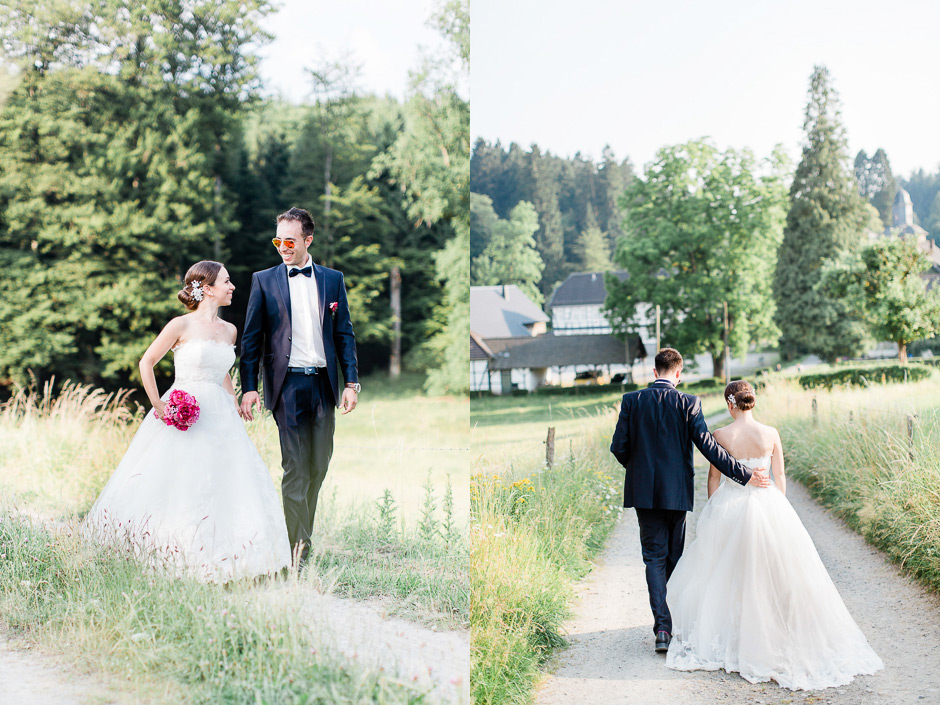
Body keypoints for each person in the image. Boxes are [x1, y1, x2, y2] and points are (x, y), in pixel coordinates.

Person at [665, 379, 883, 689]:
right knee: (771, 572)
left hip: (731, 505)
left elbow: (714, 478)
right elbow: (779, 476)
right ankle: (777, 628)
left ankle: (736, 632)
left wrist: (714, 509)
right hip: (769, 504)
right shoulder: (770, 433)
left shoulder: (721, 435)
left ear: (730, 403)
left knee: (730, 572)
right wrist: (776, 506)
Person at [85, 261, 291, 582]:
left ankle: (231, 554)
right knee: (177, 479)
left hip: (220, 414)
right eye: (226, 281)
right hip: (185, 408)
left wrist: (234, 402)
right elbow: (147, 362)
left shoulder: (229, 330)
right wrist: (158, 403)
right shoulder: (180, 325)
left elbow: (222, 370)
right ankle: (170, 552)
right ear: (207, 288)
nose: (232, 286)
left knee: (229, 481)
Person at [610, 348, 771, 653]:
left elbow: (619, 447)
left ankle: (662, 626)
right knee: (675, 557)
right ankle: (672, 622)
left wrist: (640, 471)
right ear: (679, 374)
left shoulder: (632, 400)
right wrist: (745, 474)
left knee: (653, 558)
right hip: (677, 492)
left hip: (644, 494)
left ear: (655, 372)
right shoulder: (689, 402)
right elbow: (709, 447)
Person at [238, 207, 359, 570]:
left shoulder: (332, 280)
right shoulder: (264, 280)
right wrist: (249, 387)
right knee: (295, 467)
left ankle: (300, 535)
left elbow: (345, 334)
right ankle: (297, 550)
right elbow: (251, 339)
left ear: (308, 240)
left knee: (319, 464)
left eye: (289, 240)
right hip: (286, 385)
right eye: (277, 240)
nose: (282, 247)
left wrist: (351, 380)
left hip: (324, 385)